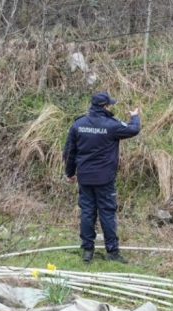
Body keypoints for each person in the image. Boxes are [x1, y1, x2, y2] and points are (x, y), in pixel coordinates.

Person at [63, 92, 141, 264]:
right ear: (105, 106)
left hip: (85, 178)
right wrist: (135, 117)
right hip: (105, 179)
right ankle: (112, 252)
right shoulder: (112, 125)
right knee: (107, 213)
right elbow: (134, 129)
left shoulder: (79, 124)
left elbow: (69, 152)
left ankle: (87, 250)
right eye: (109, 105)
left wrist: (69, 173)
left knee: (87, 213)